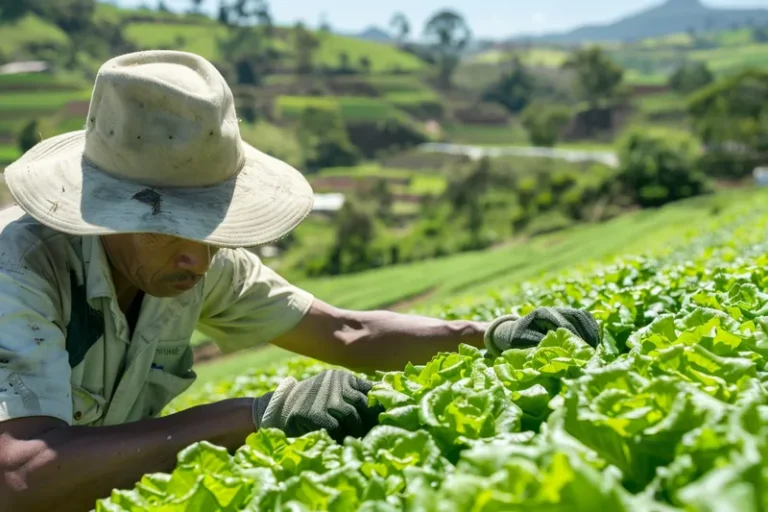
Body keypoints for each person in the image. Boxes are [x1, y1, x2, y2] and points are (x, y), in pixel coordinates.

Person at [0, 50, 600, 511]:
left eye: (209, 228)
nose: (199, 261)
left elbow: (346, 331)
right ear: (105, 212)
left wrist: (483, 335)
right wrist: (253, 416)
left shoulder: (196, 260)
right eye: (169, 229)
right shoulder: (18, 269)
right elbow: (21, 474)